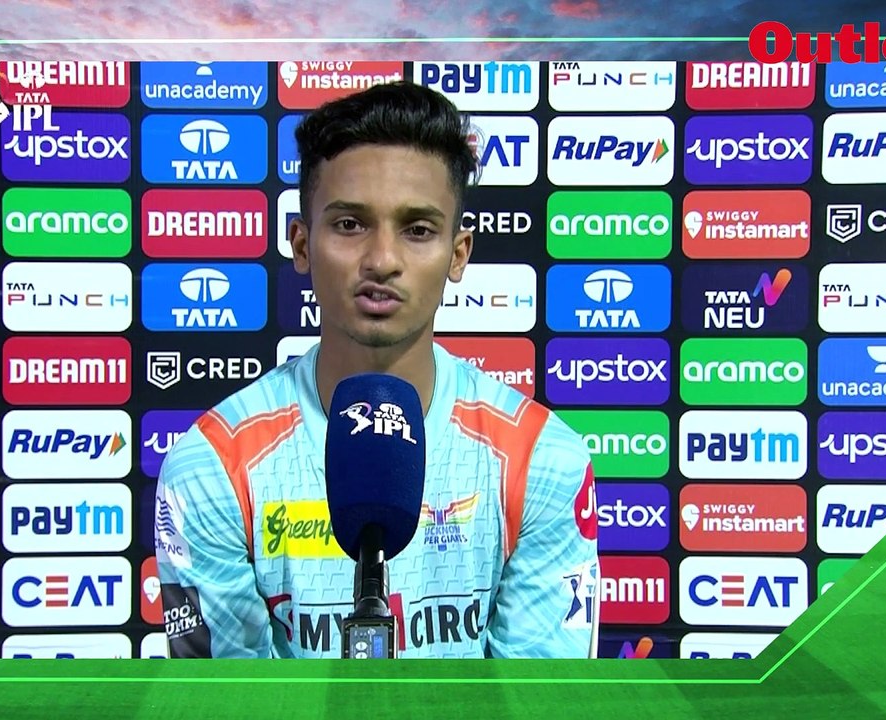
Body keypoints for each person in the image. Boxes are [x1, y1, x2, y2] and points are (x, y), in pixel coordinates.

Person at [154, 80, 600, 659]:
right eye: (349, 224)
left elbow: (538, 698)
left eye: (418, 230)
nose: (383, 260)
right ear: (301, 244)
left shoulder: (542, 459)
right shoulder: (212, 465)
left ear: (458, 254)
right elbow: (225, 698)